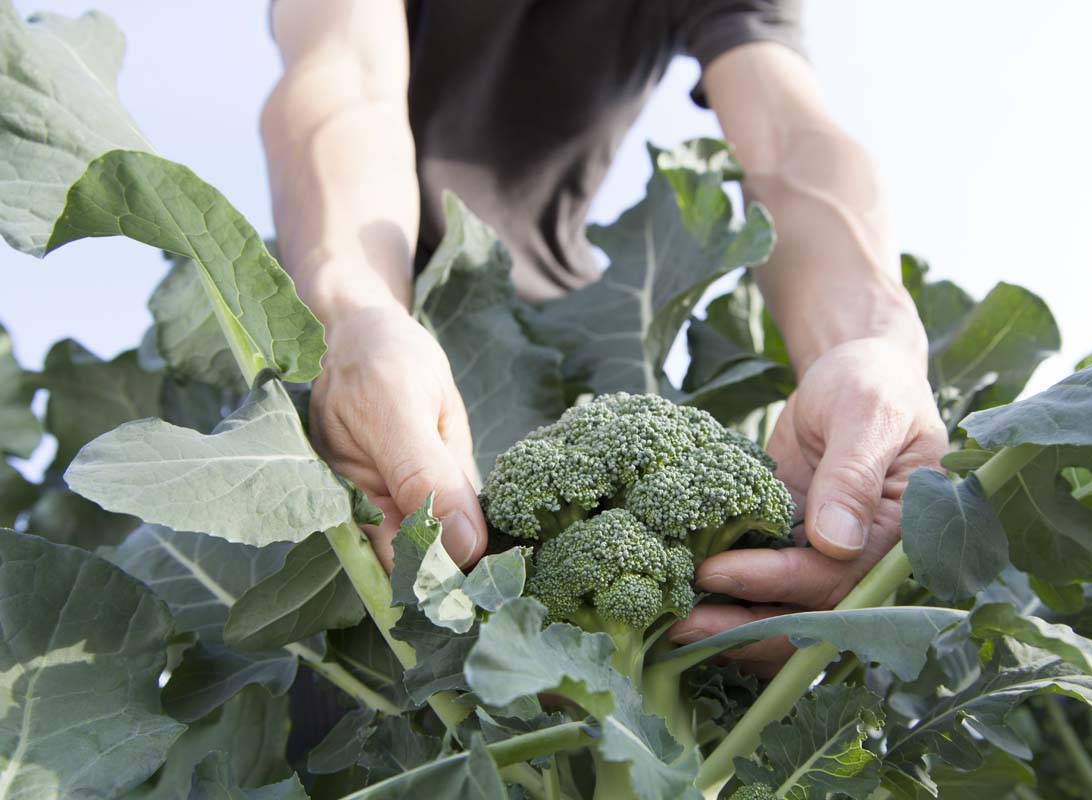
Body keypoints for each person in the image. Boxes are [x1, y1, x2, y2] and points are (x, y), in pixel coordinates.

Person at [261, 0, 948, 677]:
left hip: (560, 325)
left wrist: (875, 345)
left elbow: (790, 140)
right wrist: (355, 314)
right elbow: (345, 83)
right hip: (376, 322)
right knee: (374, 664)